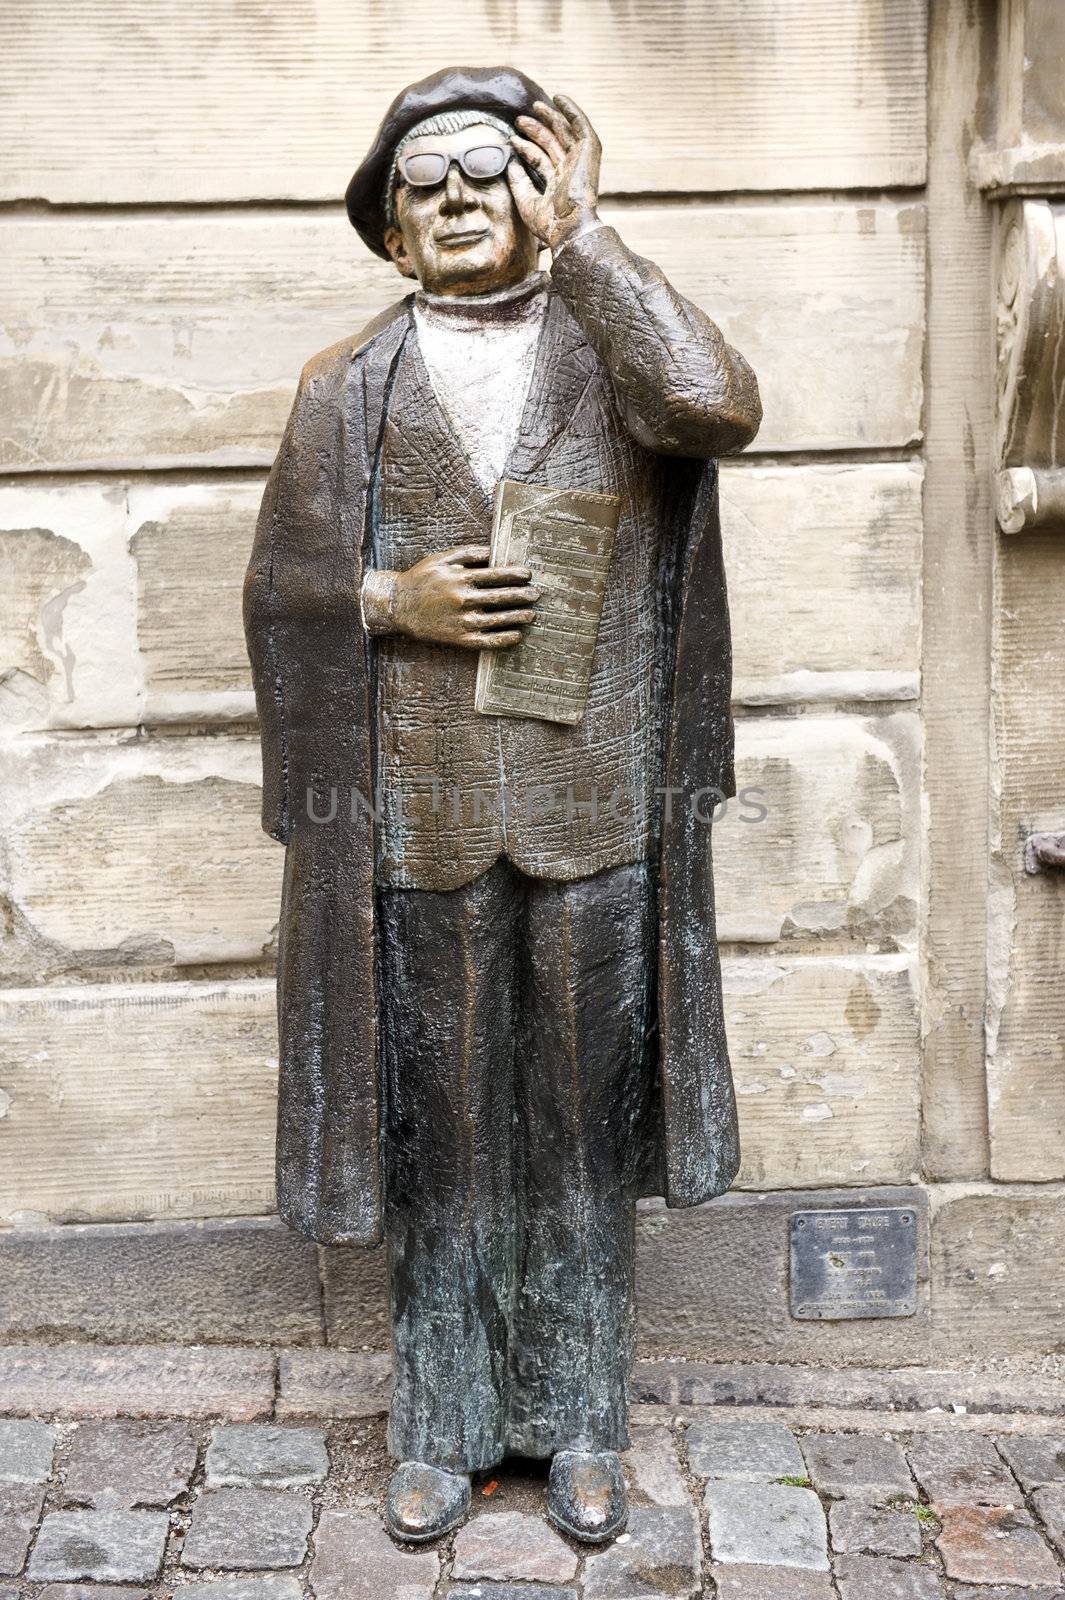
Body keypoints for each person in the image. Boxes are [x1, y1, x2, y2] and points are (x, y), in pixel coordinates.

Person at [244, 64, 761, 1545]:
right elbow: (276, 590)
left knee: (580, 1121)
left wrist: (592, 241)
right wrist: (382, 595)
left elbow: (720, 407)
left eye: (490, 171)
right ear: (391, 232)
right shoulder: (346, 387)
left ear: (540, 194)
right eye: (427, 184)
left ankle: (582, 1417)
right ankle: (446, 1417)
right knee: (444, 1125)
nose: (460, 198)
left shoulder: (615, 354)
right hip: (418, 813)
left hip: (594, 803)